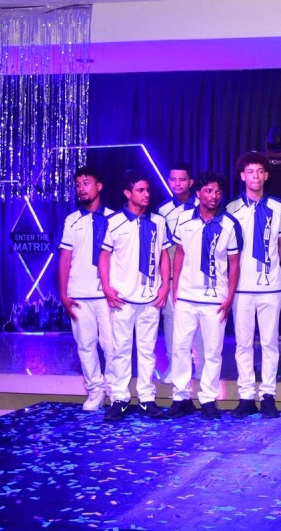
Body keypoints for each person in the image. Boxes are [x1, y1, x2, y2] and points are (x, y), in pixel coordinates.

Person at [165, 172, 241, 420]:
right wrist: (175, 286)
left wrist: (229, 296)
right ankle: (181, 397)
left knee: (212, 351)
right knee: (180, 347)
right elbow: (179, 253)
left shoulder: (229, 224)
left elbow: (234, 263)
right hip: (186, 296)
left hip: (215, 299)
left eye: (218, 191)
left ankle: (208, 399)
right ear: (198, 193)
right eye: (208, 191)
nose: (214, 196)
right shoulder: (184, 219)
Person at [99, 170, 171, 421]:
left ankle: (147, 398)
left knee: (148, 351)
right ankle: (119, 398)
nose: (146, 194)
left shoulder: (159, 221)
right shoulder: (113, 221)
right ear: (127, 193)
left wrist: (165, 287)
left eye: (148, 190)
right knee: (120, 349)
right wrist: (107, 287)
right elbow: (104, 256)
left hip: (150, 297)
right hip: (122, 298)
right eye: (140, 190)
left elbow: (164, 255)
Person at [225, 152, 281, 418]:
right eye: (250, 171)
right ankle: (246, 396)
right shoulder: (231, 209)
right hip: (241, 288)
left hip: (270, 287)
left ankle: (268, 396)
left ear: (266, 175)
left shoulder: (277, 207)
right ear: (242, 176)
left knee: (270, 343)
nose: (255, 176)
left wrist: (270, 265)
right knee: (242, 344)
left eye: (260, 171)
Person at [58, 166, 115, 412]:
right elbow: (65, 258)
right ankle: (95, 390)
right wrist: (63, 293)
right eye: (78, 184)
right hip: (79, 293)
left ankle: (114, 390)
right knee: (85, 344)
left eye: (86, 183)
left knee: (112, 345)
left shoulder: (115, 219)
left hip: (107, 294)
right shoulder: (72, 220)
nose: (81, 188)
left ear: (99, 186)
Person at [156, 163, 204, 387]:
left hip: (199, 276)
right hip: (173, 277)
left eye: (182, 179)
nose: (177, 183)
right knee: (172, 322)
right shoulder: (162, 210)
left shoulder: (203, 205)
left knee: (200, 325)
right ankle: (175, 367)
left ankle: (201, 367)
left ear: (191, 182)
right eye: (173, 179)